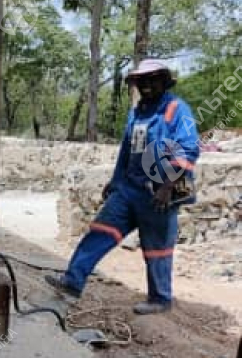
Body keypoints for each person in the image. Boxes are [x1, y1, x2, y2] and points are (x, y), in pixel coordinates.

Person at [46, 59, 200, 315]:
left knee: (157, 249)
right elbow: (127, 150)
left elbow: (189, 147)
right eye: (141, 81)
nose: (146, 85)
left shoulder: (176, 109)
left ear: (163, 81)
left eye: (152, 80)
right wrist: (116, 181)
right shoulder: (136, 112)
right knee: (100, 232)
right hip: (129, 189)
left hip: (159, 192)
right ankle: (72, 283)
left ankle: (159, 299)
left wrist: (166, 186)